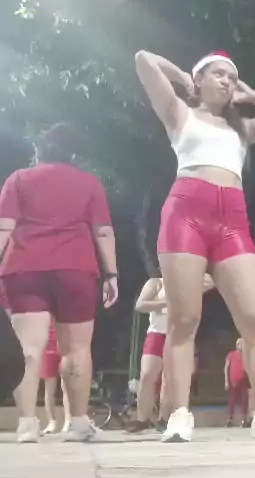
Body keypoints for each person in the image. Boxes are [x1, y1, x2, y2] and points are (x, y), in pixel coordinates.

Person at [135, 49, 255, 442]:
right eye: (218, 74)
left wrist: (252, 94)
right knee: (184, 319)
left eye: (231, 76)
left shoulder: (242, 129)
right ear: (200, 80)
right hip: (186, 214)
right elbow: (143, 59)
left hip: (232, 219)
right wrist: (184, 77)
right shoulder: (179, 113)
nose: (227, 81)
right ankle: (179, 413)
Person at [0, 122, 118, 443]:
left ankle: (27, 424)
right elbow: (103, 231)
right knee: (76, 348)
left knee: (29, 348)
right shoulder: (89, 183)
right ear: (74, 154)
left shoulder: (18, 180)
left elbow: (4, 227)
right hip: (75, 270)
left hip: (23, 269)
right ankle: (77, 423)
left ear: (38, 150)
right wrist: (111, 274)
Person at [127, 272, 214, 433]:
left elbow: (210, 281)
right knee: (147, 375)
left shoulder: (187, 284)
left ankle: (163, 418)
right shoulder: (156, 283)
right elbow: (140, 305)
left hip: (177, 335)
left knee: (169, 378)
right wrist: (166, 302)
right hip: (157, 333)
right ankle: (142, 419)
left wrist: (189, 278)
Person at [40, 322, 71, 434]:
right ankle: (51, 421)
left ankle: (68, 420)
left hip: (64, 344)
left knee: (66, 386)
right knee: (49, 388)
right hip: (48, 346)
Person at [224, 338, 251, 427]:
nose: (241, 345)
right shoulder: (231, 354)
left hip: (244, 380)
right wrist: (226, 381)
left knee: (244, 400)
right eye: (240, 344)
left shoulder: (246, 355)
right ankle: (230, 420)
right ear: (237, 345)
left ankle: (244, 420)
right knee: (232, 401)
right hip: (233, 381)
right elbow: (226, 368)